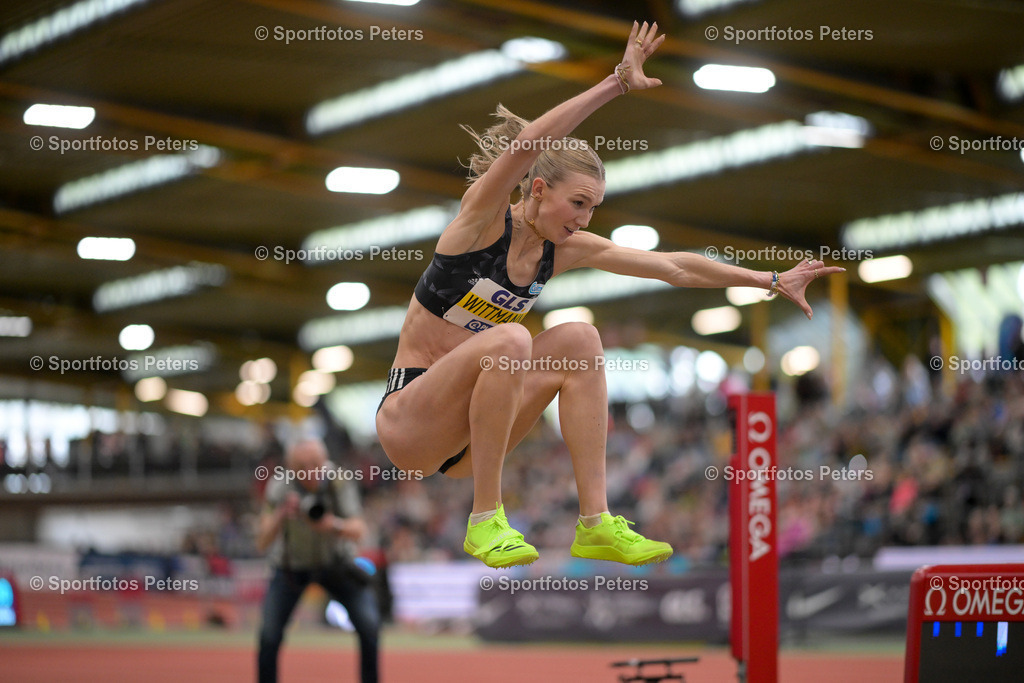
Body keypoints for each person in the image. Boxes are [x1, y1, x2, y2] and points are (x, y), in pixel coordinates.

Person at [375, 21, 844, 570]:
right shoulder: (478, 224)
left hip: (472, 444)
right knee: (510, 336)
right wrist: (615, 84)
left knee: (579, 338)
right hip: (411, 421)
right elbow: (529, 146)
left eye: (593, 208)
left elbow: (673, 267)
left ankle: (595, 522)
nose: (584, 219)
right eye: (577, 203)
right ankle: (486, 519)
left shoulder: (565, 249)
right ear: (539, 188)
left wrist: (768, 281)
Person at [256, 439, 379, 683]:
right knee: (269, 635)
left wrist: (332, 524)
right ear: (290, 467)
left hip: (336, 564)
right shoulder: (280, 486)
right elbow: (261, 541)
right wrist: (281, 514)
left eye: (315, 464)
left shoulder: (338, 480)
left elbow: (359, 530)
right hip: (292, 567)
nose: (310, 470)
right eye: (301, 466)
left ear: (325, 462)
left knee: (369, 625)